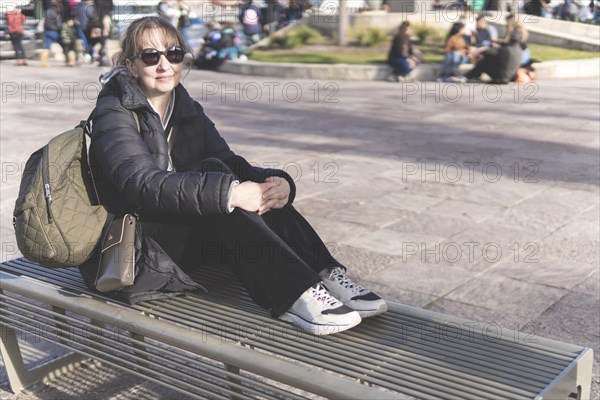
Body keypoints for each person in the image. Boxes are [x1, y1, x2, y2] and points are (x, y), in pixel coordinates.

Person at [79, 16, 388, 336]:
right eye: (150, 56)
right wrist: (230, 193)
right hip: (136, 251)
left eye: (173, 54)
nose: (164, 65)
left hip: (181, 236)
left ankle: (324, 273)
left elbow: (228, 160)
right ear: (130, 65)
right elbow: (142, 184)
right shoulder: (112, 114)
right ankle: (293, 294)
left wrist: (278, 183)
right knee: (218, 182)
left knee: (224, 170)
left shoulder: (182, 104)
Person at [465, 15, 526, 83]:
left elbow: (501, 50)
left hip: (502, 76)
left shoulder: (513, 40)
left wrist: (483, 51)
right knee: (487, 56)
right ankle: (471, 76)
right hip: (508, 75)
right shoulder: (517, 41)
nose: (506, 25)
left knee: (485, 59)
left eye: (507, 23)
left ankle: (469, 76)